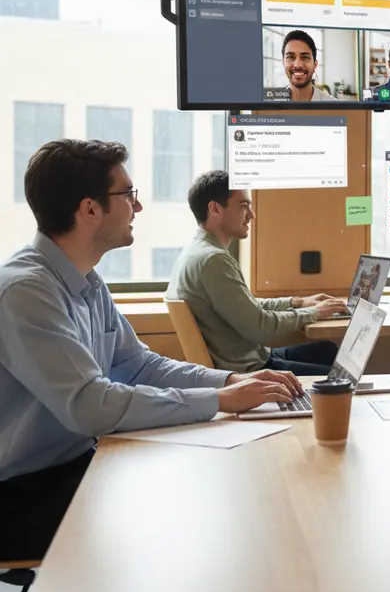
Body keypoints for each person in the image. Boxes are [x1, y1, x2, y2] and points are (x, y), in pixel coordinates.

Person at [0, 140, 300, 561]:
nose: (137, 208)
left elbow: (138, 365)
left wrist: (232, 380)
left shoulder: (85, 282)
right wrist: (217, 400)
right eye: (128, 196)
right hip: (21, 495)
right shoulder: (26, 291)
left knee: (207, 486)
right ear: (89, 209)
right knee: (182, 519)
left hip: (74, 465)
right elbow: (90, 405)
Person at [167, 171, 346, 376]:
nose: (251, 215)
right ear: (215, 208)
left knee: (328, 350)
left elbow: (247, 307)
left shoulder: (198, 251)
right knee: (343, 381)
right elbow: (260, 327)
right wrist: (315, 313)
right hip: (250, 371)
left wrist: (297, 302)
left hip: (256, 357)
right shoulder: (213, 260)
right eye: (244, 206)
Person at [279, 29, 337, 102]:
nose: (297, 65)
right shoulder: (269, 105)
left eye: (305, 57)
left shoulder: (334, 106)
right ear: (283, 63)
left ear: (315, 64)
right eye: (291, 57)